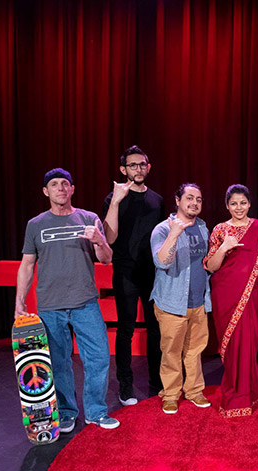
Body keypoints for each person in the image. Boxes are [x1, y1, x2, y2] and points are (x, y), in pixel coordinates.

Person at [15, 168, 119, 432]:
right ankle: (67, 412)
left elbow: (106, 259)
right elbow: (27, 265)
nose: (60, 188)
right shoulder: (35, 225)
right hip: (50, 306)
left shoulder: (89, 218)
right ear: (45, 191)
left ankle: (96, 412)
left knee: (98, 359)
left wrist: (100, 241)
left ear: (72, 189)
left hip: (85, 303)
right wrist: (20, 302)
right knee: (59, 363)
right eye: (54, 184)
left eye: (65, 184)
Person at [103, 145, 165, 405]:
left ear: (148, 167)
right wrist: (117, 201)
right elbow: (109, 237)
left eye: (142, 164)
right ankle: (125, 386)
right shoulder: (113, 199)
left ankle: (156, 384)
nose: (138, 169)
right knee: (126, 330)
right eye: (132, 165)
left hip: (153, 274)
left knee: (156, 330)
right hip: (125, 272)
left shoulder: (157, 200)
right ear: (122, 170)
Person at [204, 184, 258, 417]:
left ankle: (247, 393)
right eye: (234, 203)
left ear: (249, 203)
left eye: (243, 202)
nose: (238, 207)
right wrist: (224, 247)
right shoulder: (220, 229)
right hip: (225, 295)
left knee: (249, 340)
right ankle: (233, 391)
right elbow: (211, 266)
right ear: (227, 206)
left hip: (251, 295)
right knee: (231, 346)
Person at [150, 184, 212, 415]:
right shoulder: (162, 230)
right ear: (177, 200)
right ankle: (170, 394)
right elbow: (162, 262)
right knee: (171, 352)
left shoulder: (204, 229)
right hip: (171, 303)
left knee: (195, 351)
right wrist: (175, 233)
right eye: (189, 198)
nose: (194, 203)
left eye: (199, 199)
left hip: (199, 301)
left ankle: (194, 391)